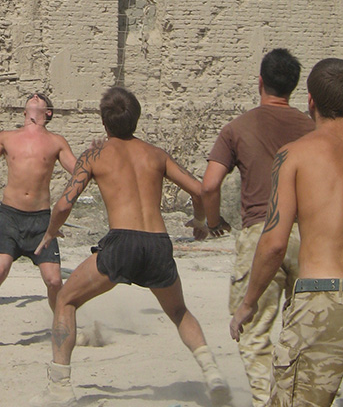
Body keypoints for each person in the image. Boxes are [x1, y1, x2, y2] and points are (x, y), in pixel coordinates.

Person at [32, 87, 230, 406]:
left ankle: (59, 386)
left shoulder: (94, 155)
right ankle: (212, 374)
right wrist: (200, 222)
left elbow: (64, 205)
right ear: (136, 119)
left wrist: (50, 233)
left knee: (66, 300)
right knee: (178, 311)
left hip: (122, 241)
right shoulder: (156, 154)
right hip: (158, 242)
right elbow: (201, 190)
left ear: (104, 122)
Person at [230, 58, 343, 407]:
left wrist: (248, 302)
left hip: (320, 298)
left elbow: (274, 244)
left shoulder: (294, 155)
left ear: (310, 101)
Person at [200, 48, 314, 407]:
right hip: (308, 238)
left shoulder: (238, 128)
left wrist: (214, 222)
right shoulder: (312, 129)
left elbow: (209, 185)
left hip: (260, 234)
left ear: (260, 81)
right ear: (293, 87)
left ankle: (266, 400)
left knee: (252, 330)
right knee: (301, 330)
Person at [0, 93, 76, 353]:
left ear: (48, 113)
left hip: (41, 220)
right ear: (24, 111)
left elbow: (78, 173)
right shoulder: (7, 137)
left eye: (40, 98)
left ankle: (62, 326)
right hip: (10, 216)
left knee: (54, 280)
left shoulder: (56, 142)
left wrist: (99, 157)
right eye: (31, 97)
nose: (34, 97)